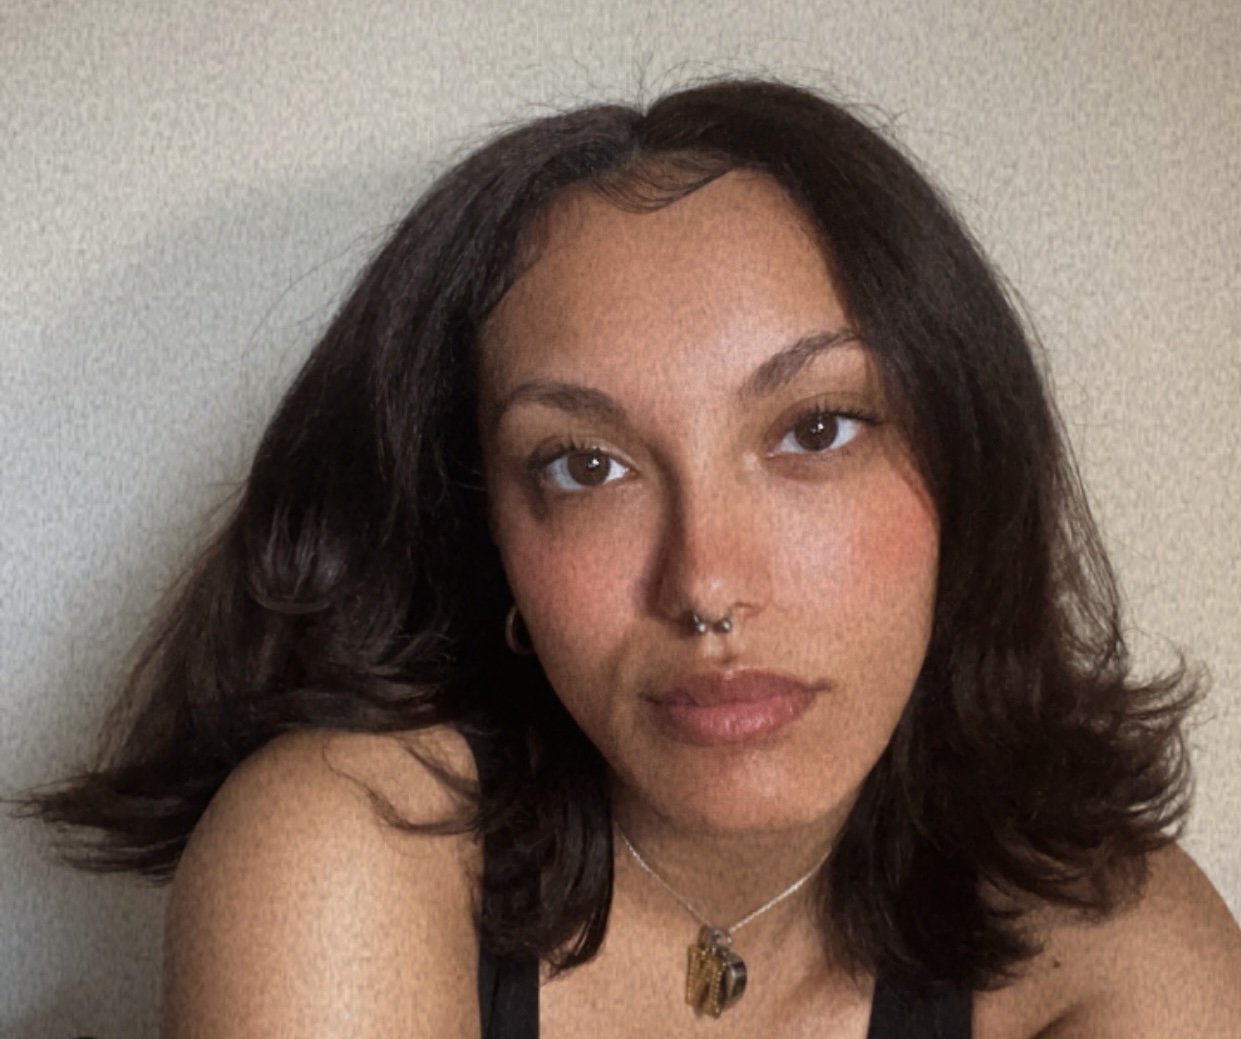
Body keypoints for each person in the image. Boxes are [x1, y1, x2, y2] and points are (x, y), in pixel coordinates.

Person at [23, 77, 1241, 1036]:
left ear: (966, 474)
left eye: (815, 429)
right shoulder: (344, 846)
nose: (704, 582)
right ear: (487, 535)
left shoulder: (1117, 950)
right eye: (582, 464)